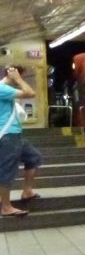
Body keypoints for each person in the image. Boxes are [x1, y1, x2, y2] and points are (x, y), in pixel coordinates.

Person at [0, 65, 43, 217]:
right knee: (7, 171)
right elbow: (31, 93)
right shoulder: (2, 88)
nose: (21, 79)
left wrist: (17, 79)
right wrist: (18, 79)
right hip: (8, 136)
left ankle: (27, 191)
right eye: (20, 75)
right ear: (11, 74)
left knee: (34, 157)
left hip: (15, 135)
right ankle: (5, 207)